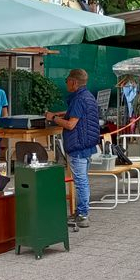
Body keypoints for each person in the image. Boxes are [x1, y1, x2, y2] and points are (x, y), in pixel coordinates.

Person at [45, 69, 100, 228]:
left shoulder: (78, 99)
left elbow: (70, 124)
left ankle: (82, 215)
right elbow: (76, 114)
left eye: (67, 80)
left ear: (74, 82)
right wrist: (60, 113)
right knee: (84, 181)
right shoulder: (88, 96)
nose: (66, 83)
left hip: (77, 146)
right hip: (88, 145)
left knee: (81, 182)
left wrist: (53, 118)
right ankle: (81, 212)